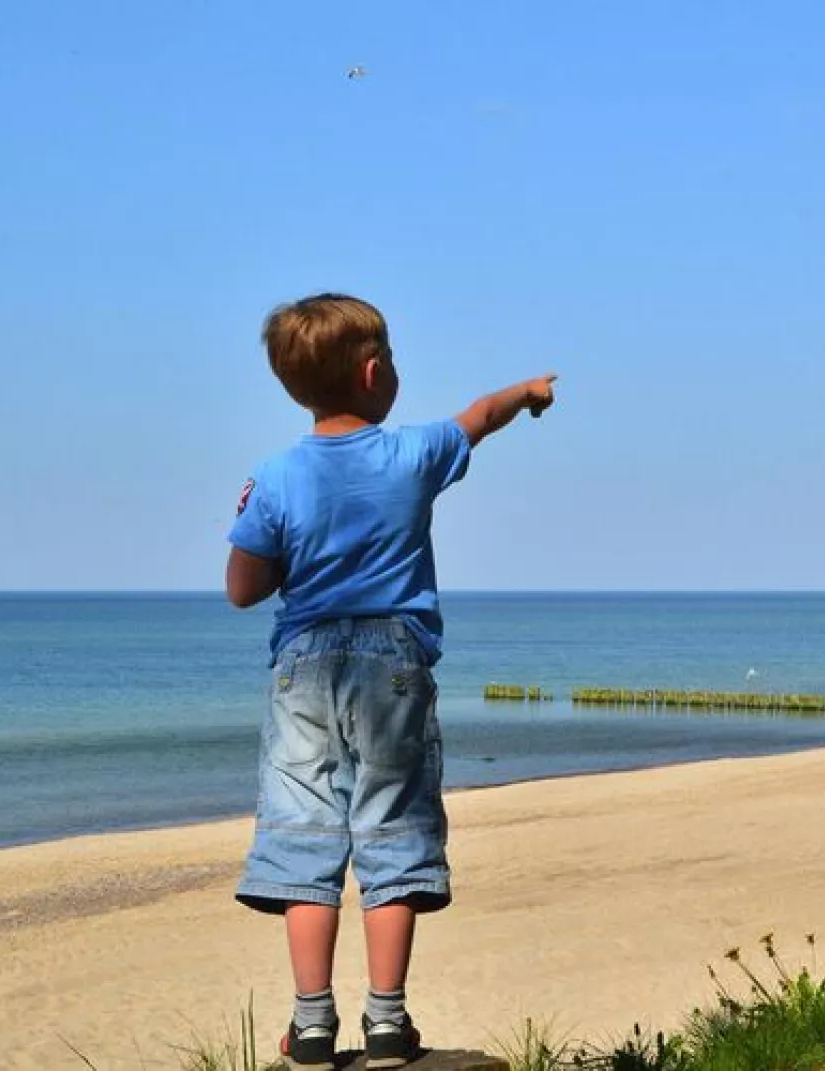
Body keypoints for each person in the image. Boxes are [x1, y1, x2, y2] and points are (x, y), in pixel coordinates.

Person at [224, 293, 557, 1070]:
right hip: (394, 665)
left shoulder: (272, 477)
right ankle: (385, 1021)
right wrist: (530, 393)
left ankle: (310, 1025)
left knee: (305, 832)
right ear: (376, 374)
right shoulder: (413, 454)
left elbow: (242, 587)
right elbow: (480, 414)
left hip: (303, 668)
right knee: (391, 828)